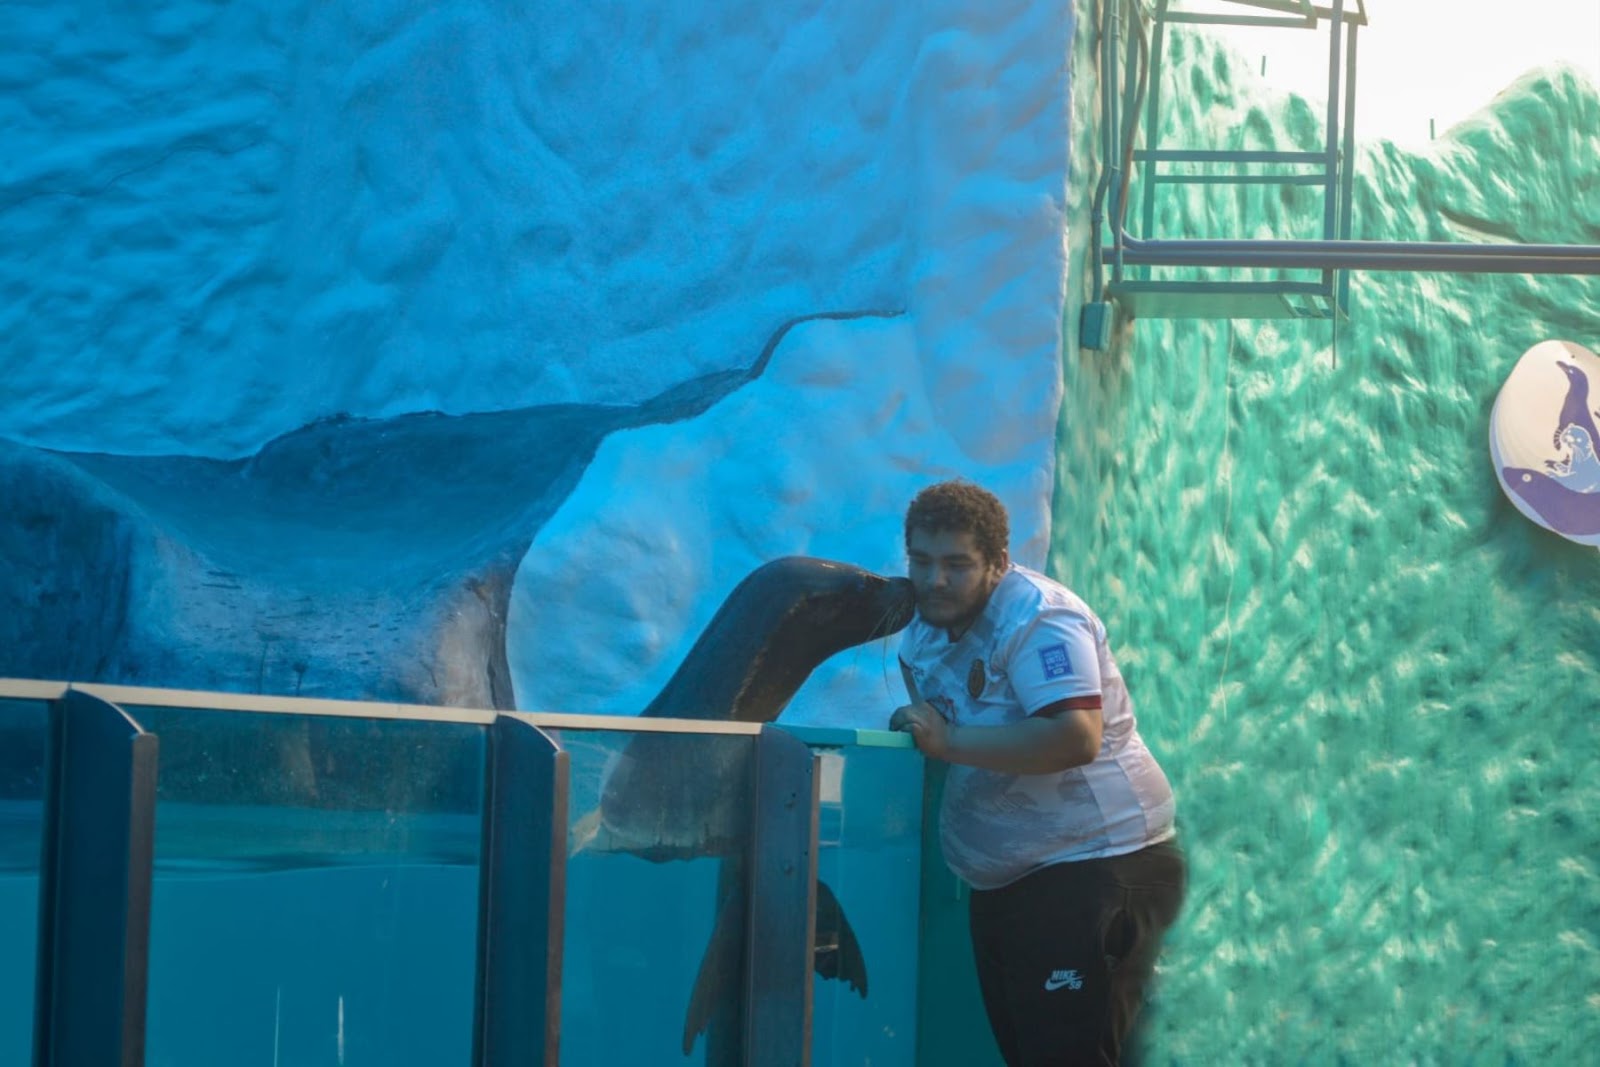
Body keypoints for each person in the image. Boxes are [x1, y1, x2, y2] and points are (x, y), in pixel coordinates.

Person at [890, 480, 1184, 1066]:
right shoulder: (923, 627)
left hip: (1096, 866)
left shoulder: (1040, 619)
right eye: (921, 561)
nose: (934, 580)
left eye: (956, 564)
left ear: (998, 563)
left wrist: (948, 742)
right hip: (1010, 883)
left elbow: (1076, 736)